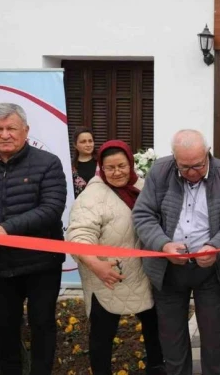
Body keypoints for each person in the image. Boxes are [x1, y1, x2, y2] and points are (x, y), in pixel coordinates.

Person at [133, 129, 220, 375]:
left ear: (207, 153)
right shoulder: (159, 172)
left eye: (198, 165)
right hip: (168, 269)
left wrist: (215, 247)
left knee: (214, 336)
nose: (192, 172)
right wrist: (163, 245)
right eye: (184, 167)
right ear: (174, 158)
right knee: (172, 338)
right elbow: (143, 215)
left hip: (211, 269)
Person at [66, 140, 165, 375]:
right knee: (102, 334)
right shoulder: (91, 197)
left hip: (144, 275)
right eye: (110, 168)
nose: (117, 172)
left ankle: (157, 368)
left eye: (122, 166)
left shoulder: (142, 187)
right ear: (101, 168)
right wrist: (96, 265)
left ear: (130, 164)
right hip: (108, 276)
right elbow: (79, 235)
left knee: (154, 328)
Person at [0, 103, 67, 375]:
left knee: (42, 324)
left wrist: (7, 229)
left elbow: (51, 208)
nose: (4, 134)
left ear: (26, 130)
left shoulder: (48, 163)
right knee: (4, 327)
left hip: (41, 264)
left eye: (11, 128)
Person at [72, 126, 98, 198]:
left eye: (90, 141)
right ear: (75, 145)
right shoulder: (70, 167)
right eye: (83, 142)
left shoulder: (101, 163)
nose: (88, 145)